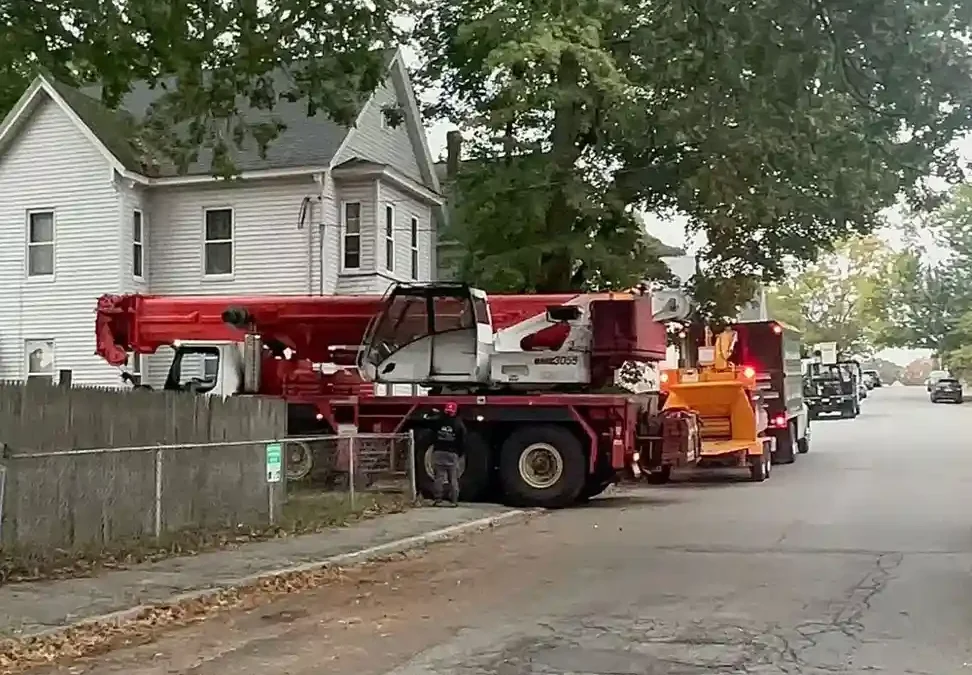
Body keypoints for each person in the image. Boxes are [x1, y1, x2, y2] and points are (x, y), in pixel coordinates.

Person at [428, 401, 466, 506]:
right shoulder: (458, 423)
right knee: (453, 478)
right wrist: (460, 453)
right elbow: (462, 440)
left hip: (439, 452)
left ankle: (437, 499)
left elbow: (431, 431)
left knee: (439, 478)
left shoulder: (439, 421)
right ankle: (454, 500)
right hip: (452, 454)